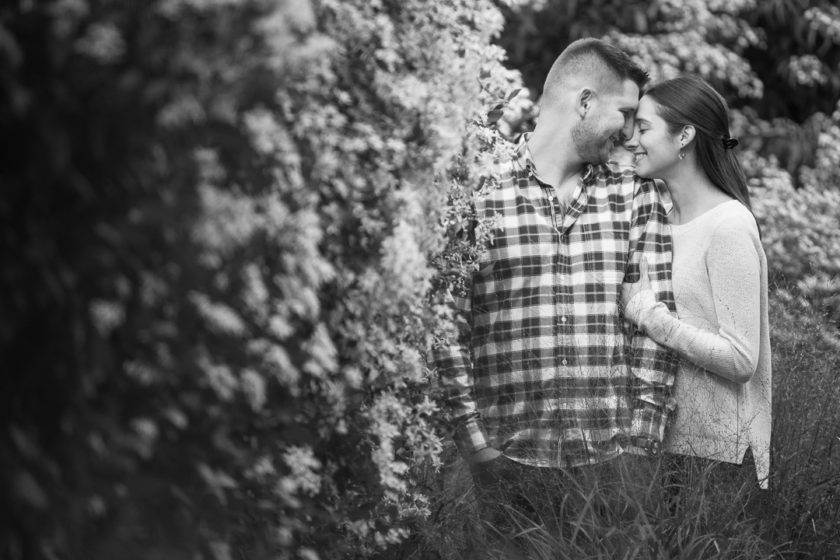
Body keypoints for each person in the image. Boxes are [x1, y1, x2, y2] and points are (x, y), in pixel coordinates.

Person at [434, 38, 680, 545]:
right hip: (501, 465)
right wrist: (477, 446)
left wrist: (640, 445)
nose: (633, 133)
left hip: (610, 469)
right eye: (626, 113)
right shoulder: (477, 189)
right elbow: (446, 322)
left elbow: (653, 324)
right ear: (585, 102)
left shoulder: (637, 194)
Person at [621, 74, 772, 490]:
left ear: (684, 135)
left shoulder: (728, 225)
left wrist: (653, 319)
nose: (632, 140)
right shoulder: (661, 223)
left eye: (644, 128)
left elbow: (742, 360)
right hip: (665, 447)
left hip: (716, 458)